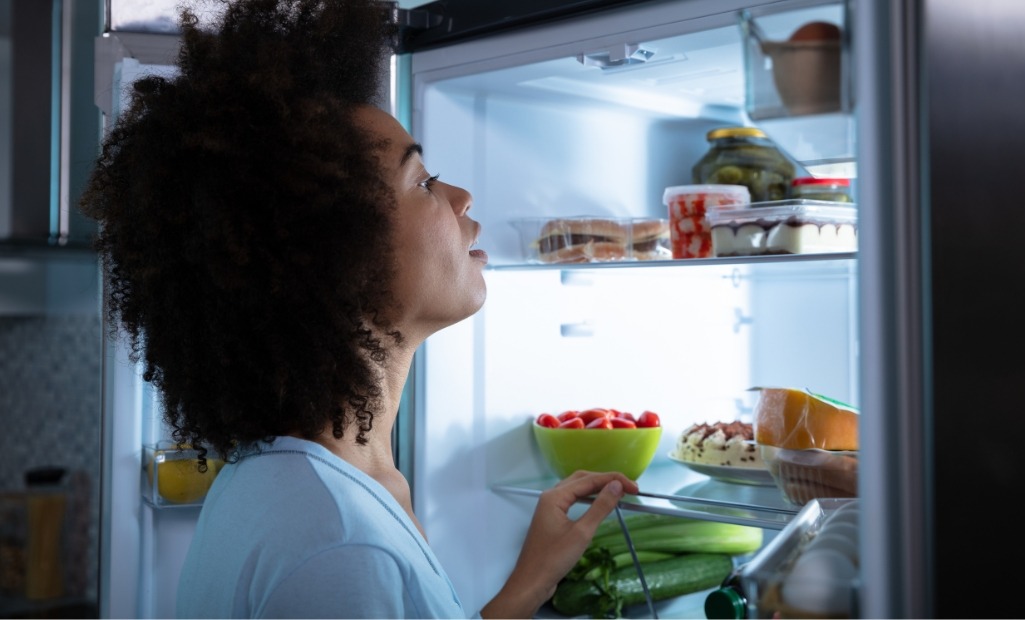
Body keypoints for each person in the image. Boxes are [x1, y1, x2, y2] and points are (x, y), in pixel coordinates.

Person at [79, 0, 640, 617]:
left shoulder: (304, 483)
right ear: (336, 256)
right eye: (422, 181)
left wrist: (529, 584)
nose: (459, 196)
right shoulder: (338, 545)